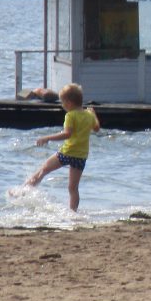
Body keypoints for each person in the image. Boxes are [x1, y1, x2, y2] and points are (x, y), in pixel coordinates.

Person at [25, 83, 100, 212]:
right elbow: (97, 129)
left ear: (69, 103)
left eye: (63, 102)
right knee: (73, 188)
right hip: (80, 156)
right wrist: (94, 115)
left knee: (44, 170)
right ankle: (73, 213)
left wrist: (47, 138)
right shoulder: (89, 115)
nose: (62, 105)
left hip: (67, 152)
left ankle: (24, 191)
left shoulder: (70, 115)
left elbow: (67, 134)